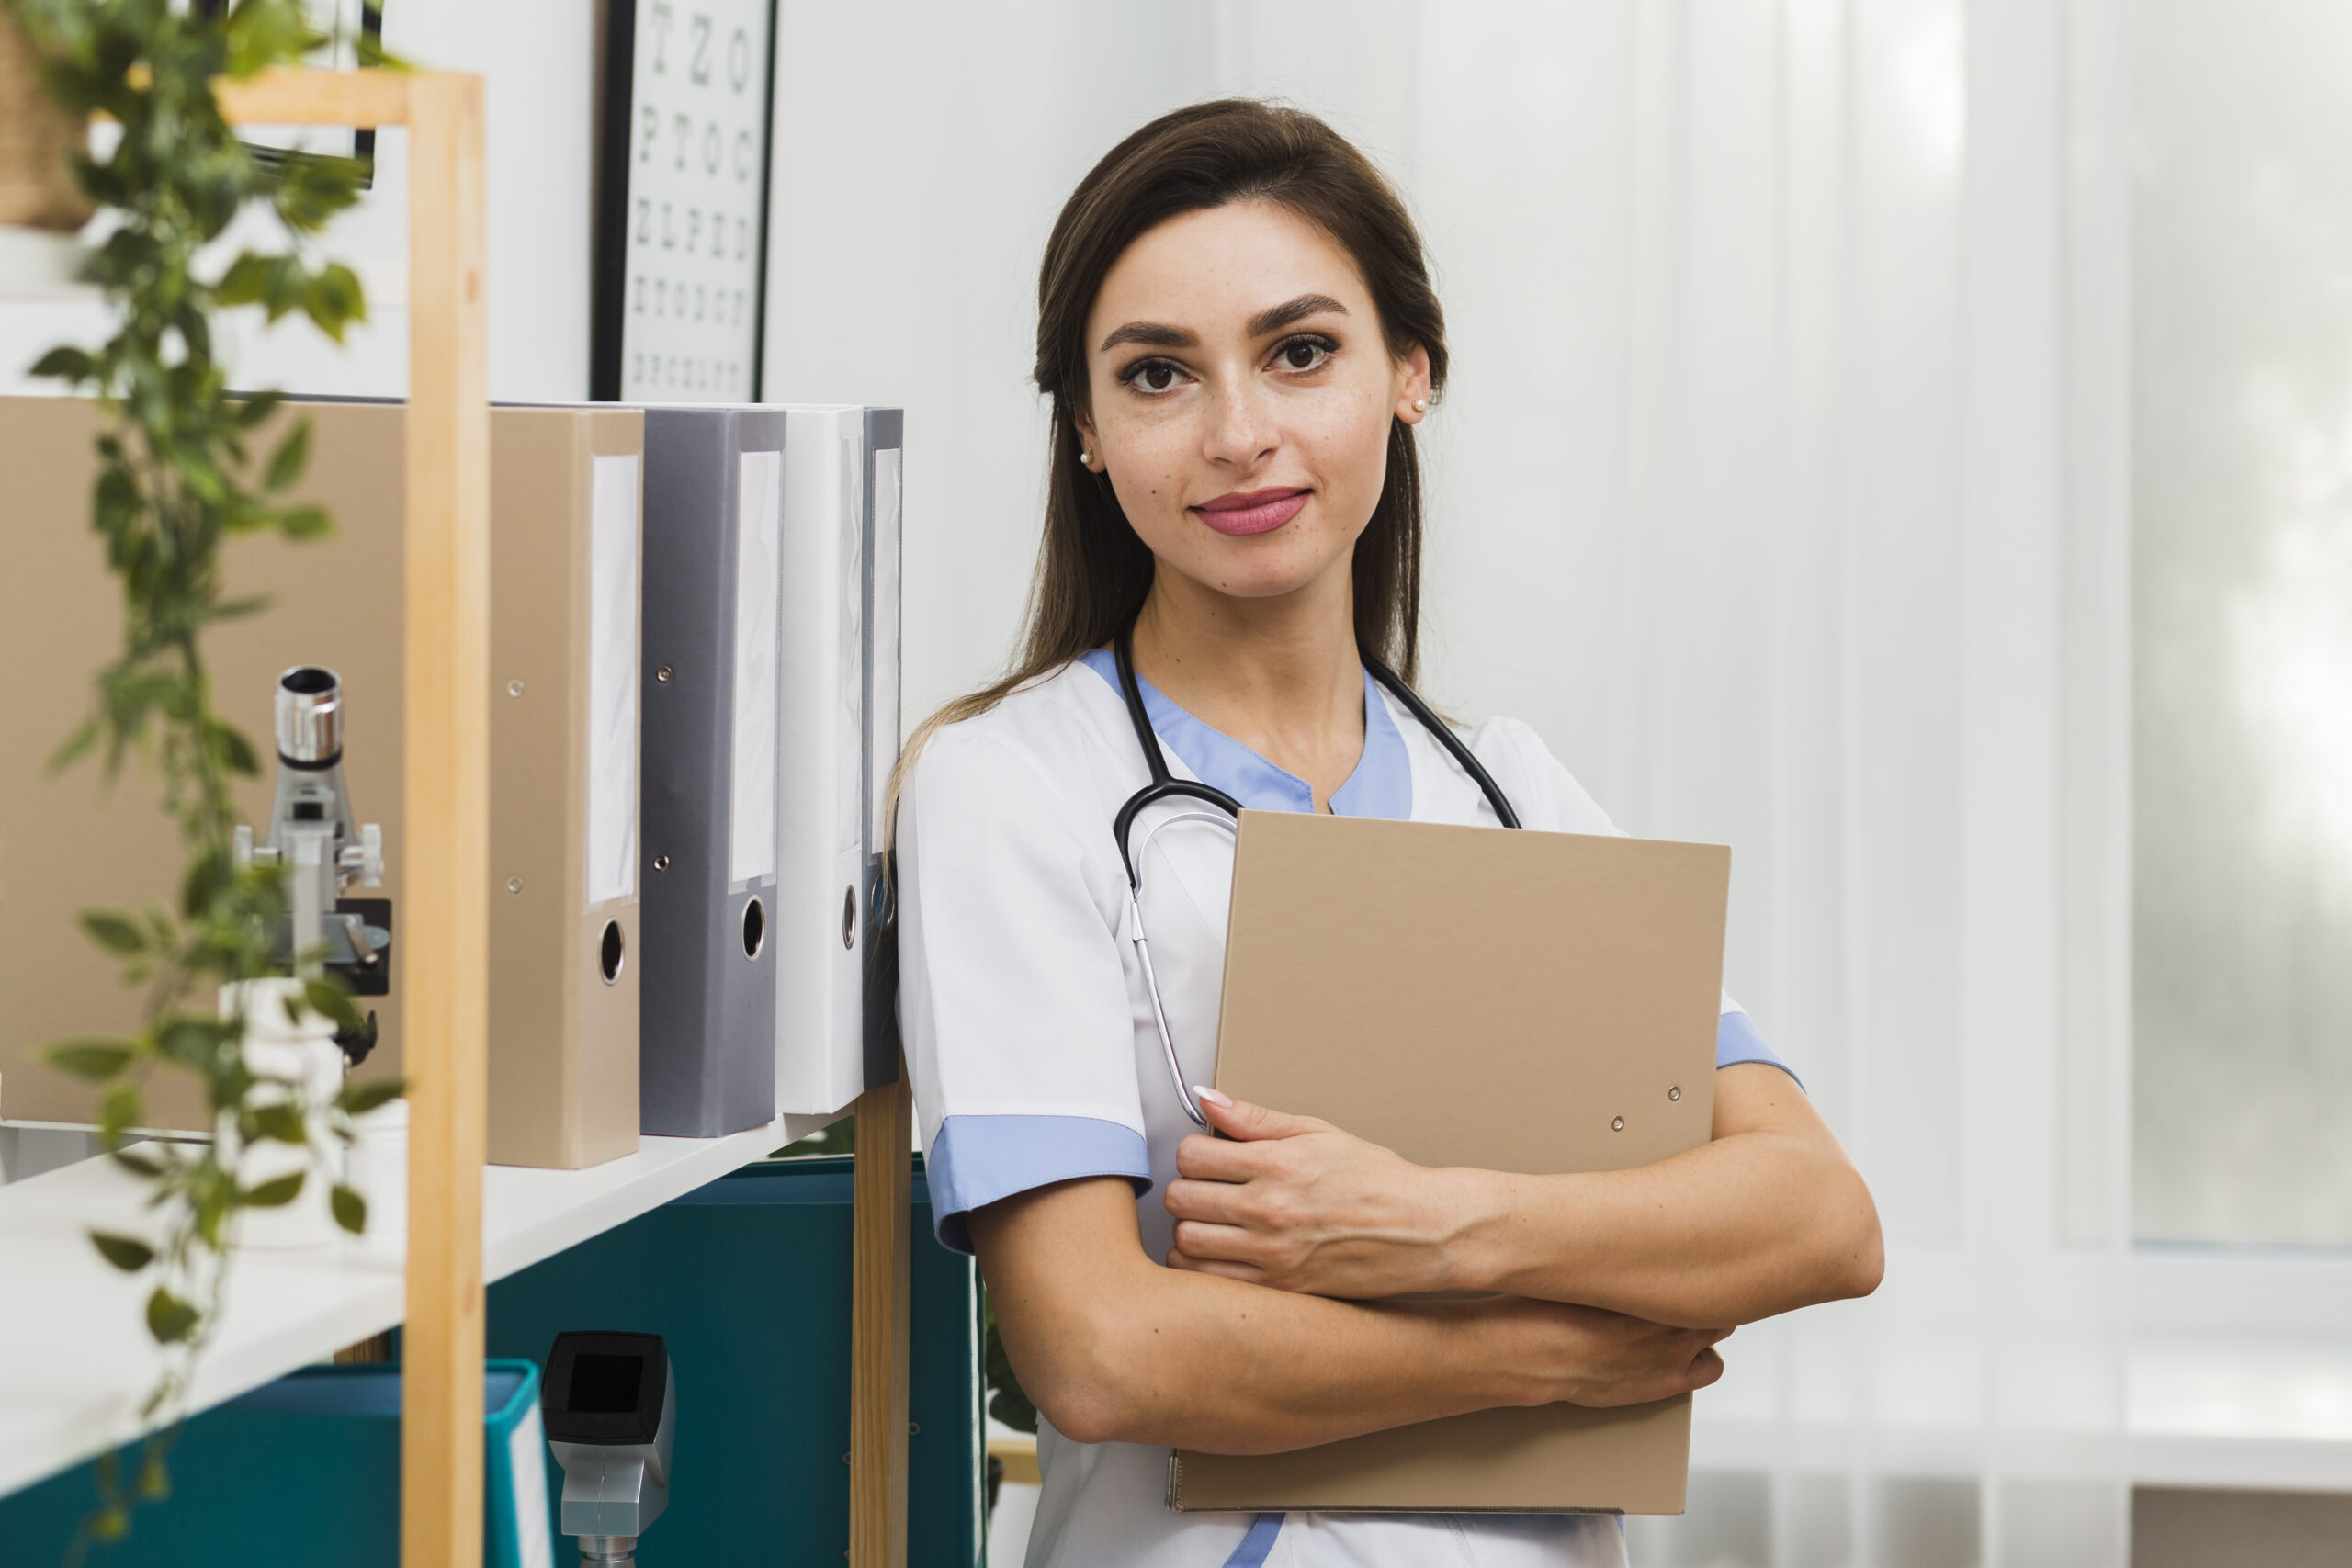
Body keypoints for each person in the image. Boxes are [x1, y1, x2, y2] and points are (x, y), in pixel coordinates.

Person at [893, 99, 1883, 1568]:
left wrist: (1435, 1224)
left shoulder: (1510, 788)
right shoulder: (1009, 787)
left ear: (1411, 371)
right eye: (1158, 374)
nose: (1240, 435)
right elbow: (1099, 1351)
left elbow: (1817, 1216)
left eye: (1300, 353)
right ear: (1086, 432)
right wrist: (1538, 1355)